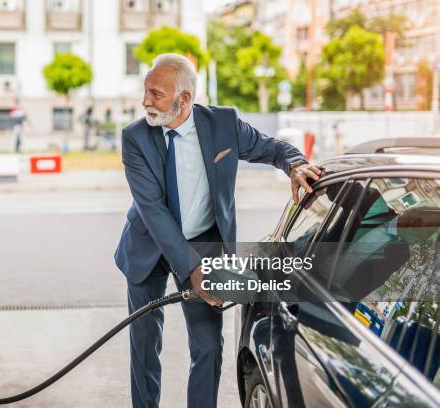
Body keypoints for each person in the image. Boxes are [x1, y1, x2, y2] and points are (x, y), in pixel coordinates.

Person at [113, 53, 322, 408]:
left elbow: (271, 148)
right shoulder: (135, 137)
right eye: (145, 91)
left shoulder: (223, 124)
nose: (145, 101)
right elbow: (153, 210)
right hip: (148, 243)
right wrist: (190, 269)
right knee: (145, 345)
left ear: (184, 100)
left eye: (156, 93)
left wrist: (295, 164)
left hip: (204, 242)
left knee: (209, 344)